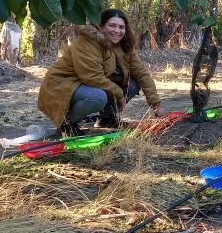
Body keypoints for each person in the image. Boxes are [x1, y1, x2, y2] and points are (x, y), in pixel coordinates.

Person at [38, 9, 164, 137]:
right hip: (61, 85)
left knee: (133, 84)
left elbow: (142, 73)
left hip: (85, 84)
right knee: (97, 97)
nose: (117, 31)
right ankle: (66, 123)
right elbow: (92, 76)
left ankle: (106, 118)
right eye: (112, 26)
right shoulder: (87, 42)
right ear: (101, 26)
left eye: (121, 27)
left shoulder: (124, 46)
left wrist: (155, 105)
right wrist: (119, 94)